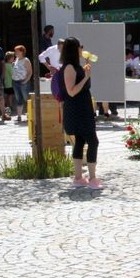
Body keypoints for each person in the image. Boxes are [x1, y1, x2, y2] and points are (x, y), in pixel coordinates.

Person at [59, 37, 102, 189]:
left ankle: (78, 178)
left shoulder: (75, 66)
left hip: (82, 107)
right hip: (77, 109)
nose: (82, 49)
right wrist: (86, 77)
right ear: (74, 49)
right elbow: (71, 91)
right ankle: (92, 178)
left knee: (80, 141)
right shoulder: (69, 67)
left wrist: (85, 72)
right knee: (93, 141)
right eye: (80, 46)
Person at [10, 45, 32, 122]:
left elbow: (30, 72)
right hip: (15, 82)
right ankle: (19, 116)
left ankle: (30, 115)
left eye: (17, 51)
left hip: (23, 82)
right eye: (15, 51)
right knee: (18, 99)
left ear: (22, 51)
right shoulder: (16, 60)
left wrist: (26, 81)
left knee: (26, 99)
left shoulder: (26, 60)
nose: (15, 52)